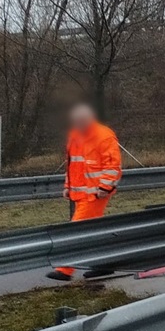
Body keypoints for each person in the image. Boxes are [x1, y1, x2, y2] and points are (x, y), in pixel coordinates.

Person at [47, 103, 122, 281]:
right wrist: (68, 186)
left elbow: (113, 164)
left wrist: (105, 187)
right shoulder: (75, 135)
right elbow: (73, 165)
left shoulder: (103, 135)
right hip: (82, 193)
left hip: (95, 193)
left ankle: (65, 269)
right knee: (93, 230)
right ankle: (104, 264)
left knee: (76, 230)